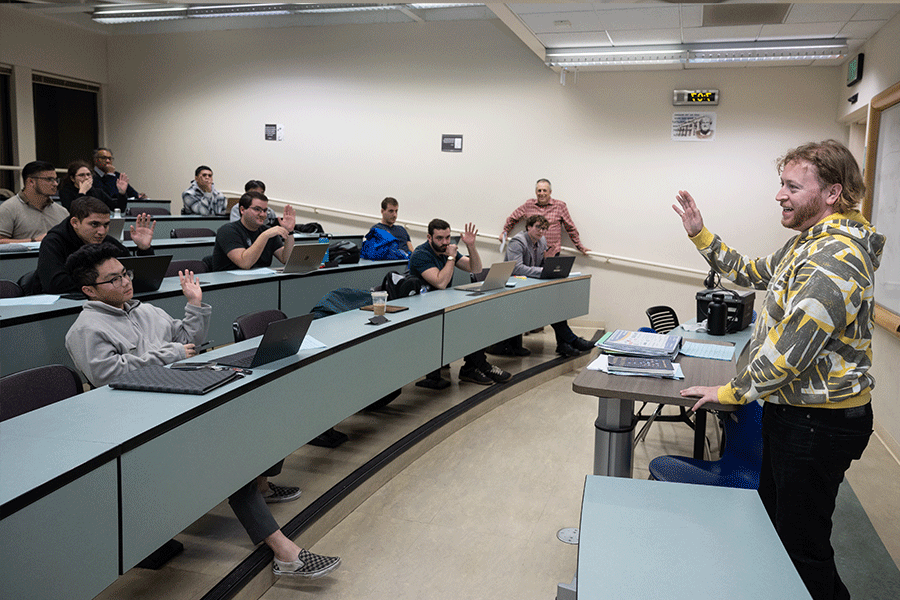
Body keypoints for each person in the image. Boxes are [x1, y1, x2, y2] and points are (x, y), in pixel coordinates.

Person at [673, 140, 883, 600]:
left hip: (817, 423)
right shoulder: (806, 245)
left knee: (801, 548)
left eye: (792, 185)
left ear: (832, 192)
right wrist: (701, 235)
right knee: (779, 528)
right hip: (797, 414)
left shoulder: (836, 257)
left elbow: (791, 352)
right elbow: (750, 272)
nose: (779, 195)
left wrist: (731, 391)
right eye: (780, 184)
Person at [63, 243, 339, 578]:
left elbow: (188, 339)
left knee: (266, 410)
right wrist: (172, 353)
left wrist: (194, 305)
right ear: (89, 290)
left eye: (125, 274)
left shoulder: (144, 310)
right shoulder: (85, 330)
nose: (125, 282)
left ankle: (262, 487)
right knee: (228, 457)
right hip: (138, 421)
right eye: (114, 279)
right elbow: (109, 374)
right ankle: (284, 552)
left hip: (181, 397)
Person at [409, 218, 512, 387]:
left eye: (448, 237)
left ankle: (473, 367)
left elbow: (476, 269)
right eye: (440, 238)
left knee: (475, 315)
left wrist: (471, 246)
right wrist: (451, 256)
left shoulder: (447, 251)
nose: (445, 242)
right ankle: (478, 367)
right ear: (429, 238)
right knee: (468, 321)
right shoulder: (421, 254)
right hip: (421, 309)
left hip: (439, 305)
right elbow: (440, 283)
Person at [499, 215, 594, 357]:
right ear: (529, 227)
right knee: (551, 306)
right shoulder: (517, 242)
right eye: (538, 227)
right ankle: (570, 341)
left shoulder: (542, 240)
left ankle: (565, 343)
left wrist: (550, 264)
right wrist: (543, 271)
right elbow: (517, 268)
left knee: (555, 304)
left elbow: (540, 265)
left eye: (544, 228)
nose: (541, 231)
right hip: (514, 287)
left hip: (531, 283)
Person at [32, 196, 156, 294]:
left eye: (106, 225)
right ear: (75, 222)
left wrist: (144, 249)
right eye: (94, 224)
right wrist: (102, 282)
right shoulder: (53, 242)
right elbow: (54, 284)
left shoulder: (105, 240)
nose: (102, 231)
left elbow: (133, 272)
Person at [501, 178, 590, 258]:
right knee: (529, 274)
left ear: (550, 192)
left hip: (551, 252)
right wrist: (505, 233)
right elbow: (513, 218)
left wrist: (579, 246)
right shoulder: (529, 205)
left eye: (545, 190)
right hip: (531, 252)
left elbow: (570, 228)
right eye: (539, 191)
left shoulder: (560, 206)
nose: (542, 193)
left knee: (549, 276)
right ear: (536, 192)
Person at [212, 191, 295, 271]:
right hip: (230, 282)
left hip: (260, 281)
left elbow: (285, 259)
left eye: (265, 210)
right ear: (242, 210)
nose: (262, 214)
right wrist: (264, 236)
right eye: (257, 209)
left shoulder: (267, 231)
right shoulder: (227, 231)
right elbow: (245, 263)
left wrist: (289, 232)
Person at [0, 160, 69, 244]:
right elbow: (1, 241)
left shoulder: (62, 212)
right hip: (25, 257)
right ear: (31, 182)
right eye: (49, 179)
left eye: (55, 179)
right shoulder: (8, 208)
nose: (55, 184)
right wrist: (33, 241)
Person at [58, 159, 128, 212]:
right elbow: (74, 211)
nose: (86, 178)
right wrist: (82, 192)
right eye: (81, 175)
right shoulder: (66, 192)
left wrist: (122, 193)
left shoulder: (97, 192)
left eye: (88, 174)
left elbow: (119, 208)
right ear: (72, 178)